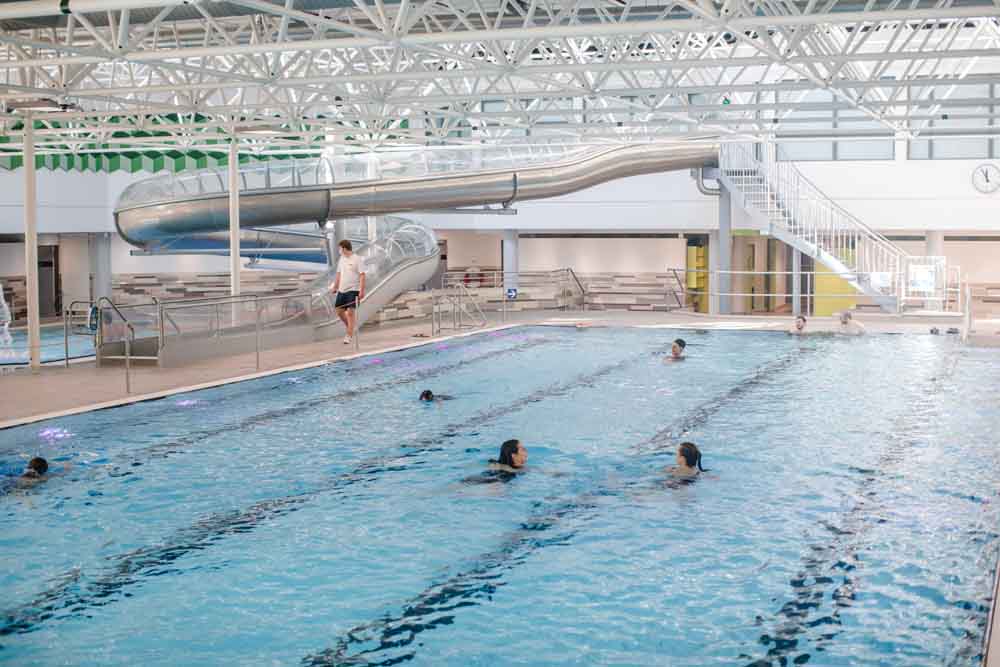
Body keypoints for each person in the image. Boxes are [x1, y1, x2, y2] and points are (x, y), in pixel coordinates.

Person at [331, 240, 366, 345]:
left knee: (350, 313)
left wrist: (362, 290)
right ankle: (351, 328)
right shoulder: (341, 259)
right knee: (339, 311)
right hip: (342, 289)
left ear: (344, 248)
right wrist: (335, 287)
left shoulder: (357, 259)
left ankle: (349, 335)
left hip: (353, 289)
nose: (339, 250)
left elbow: (362, 275)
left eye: (340, 248)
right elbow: (338, 274)